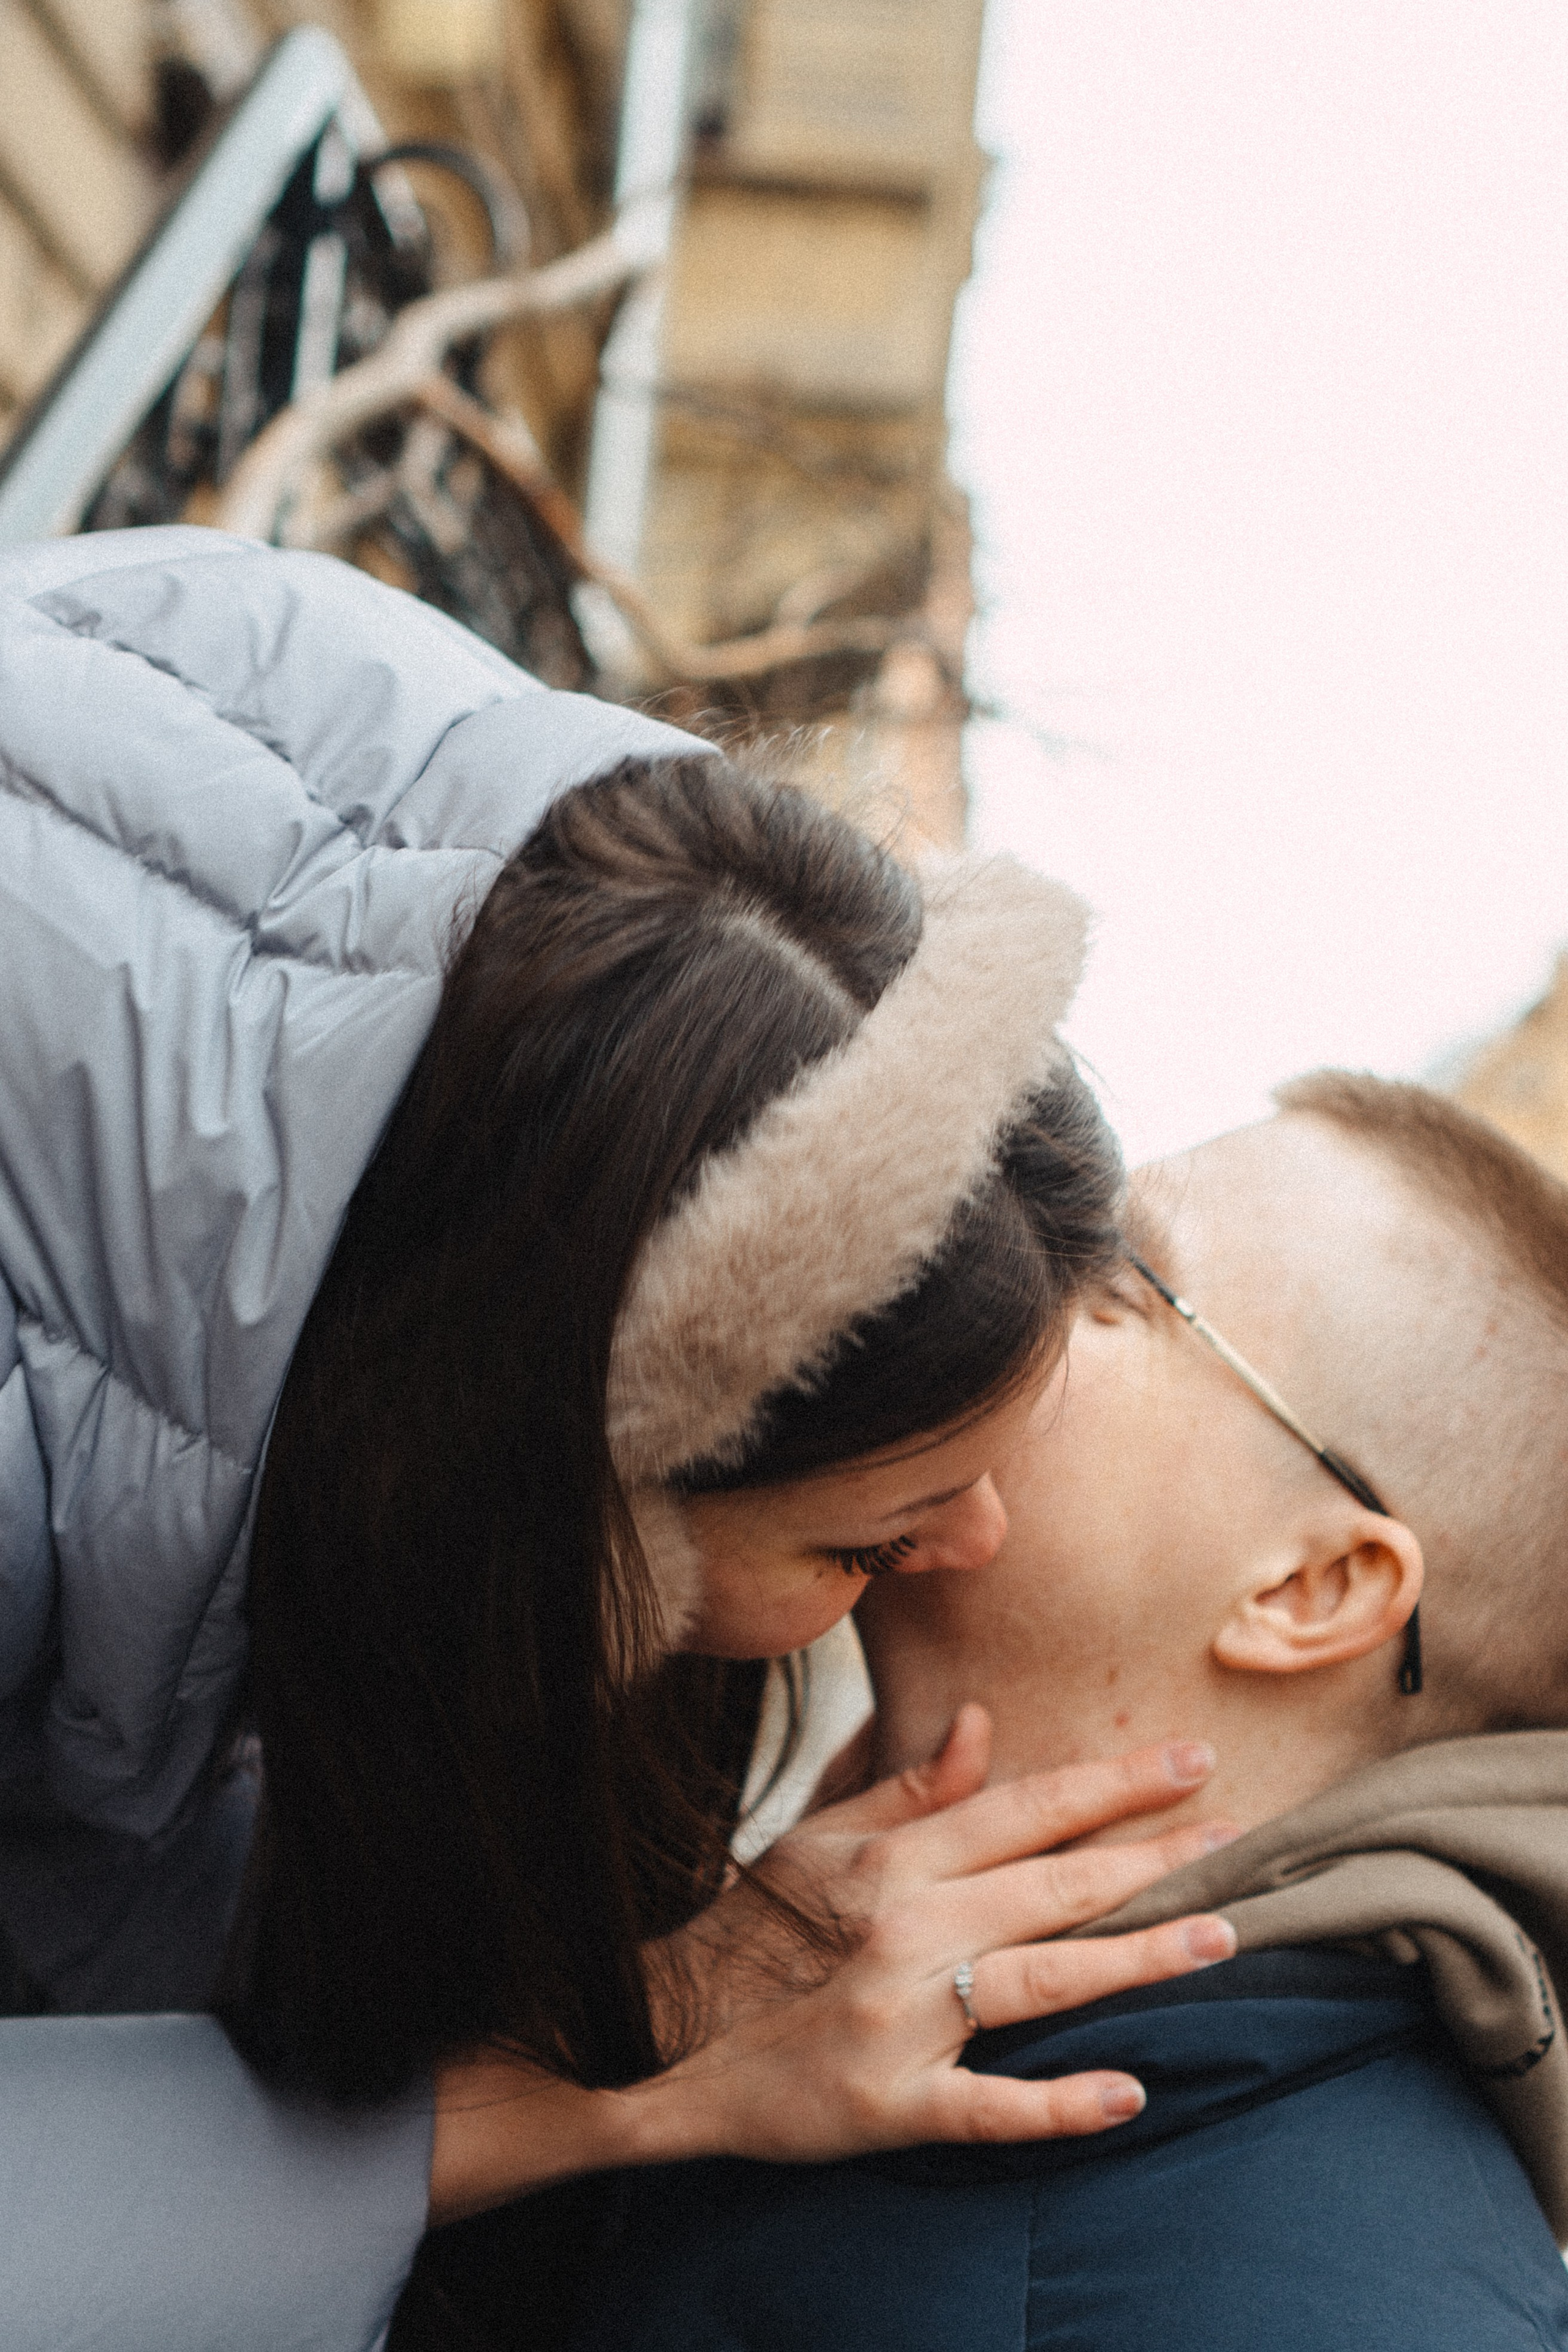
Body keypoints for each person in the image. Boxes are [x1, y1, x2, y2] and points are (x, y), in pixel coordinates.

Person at [0, 529, 1235, 2352]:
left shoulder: (331, 725)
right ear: (545, 1481)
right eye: (872, 1542)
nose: (982, 1537)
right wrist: (625, 2072)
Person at [568, 1073, 1568, 2351]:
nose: (1004, 1264)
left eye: (1125, 1278)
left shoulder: (1314, 2308)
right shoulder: (757, 1943)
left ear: (1311, 1589)